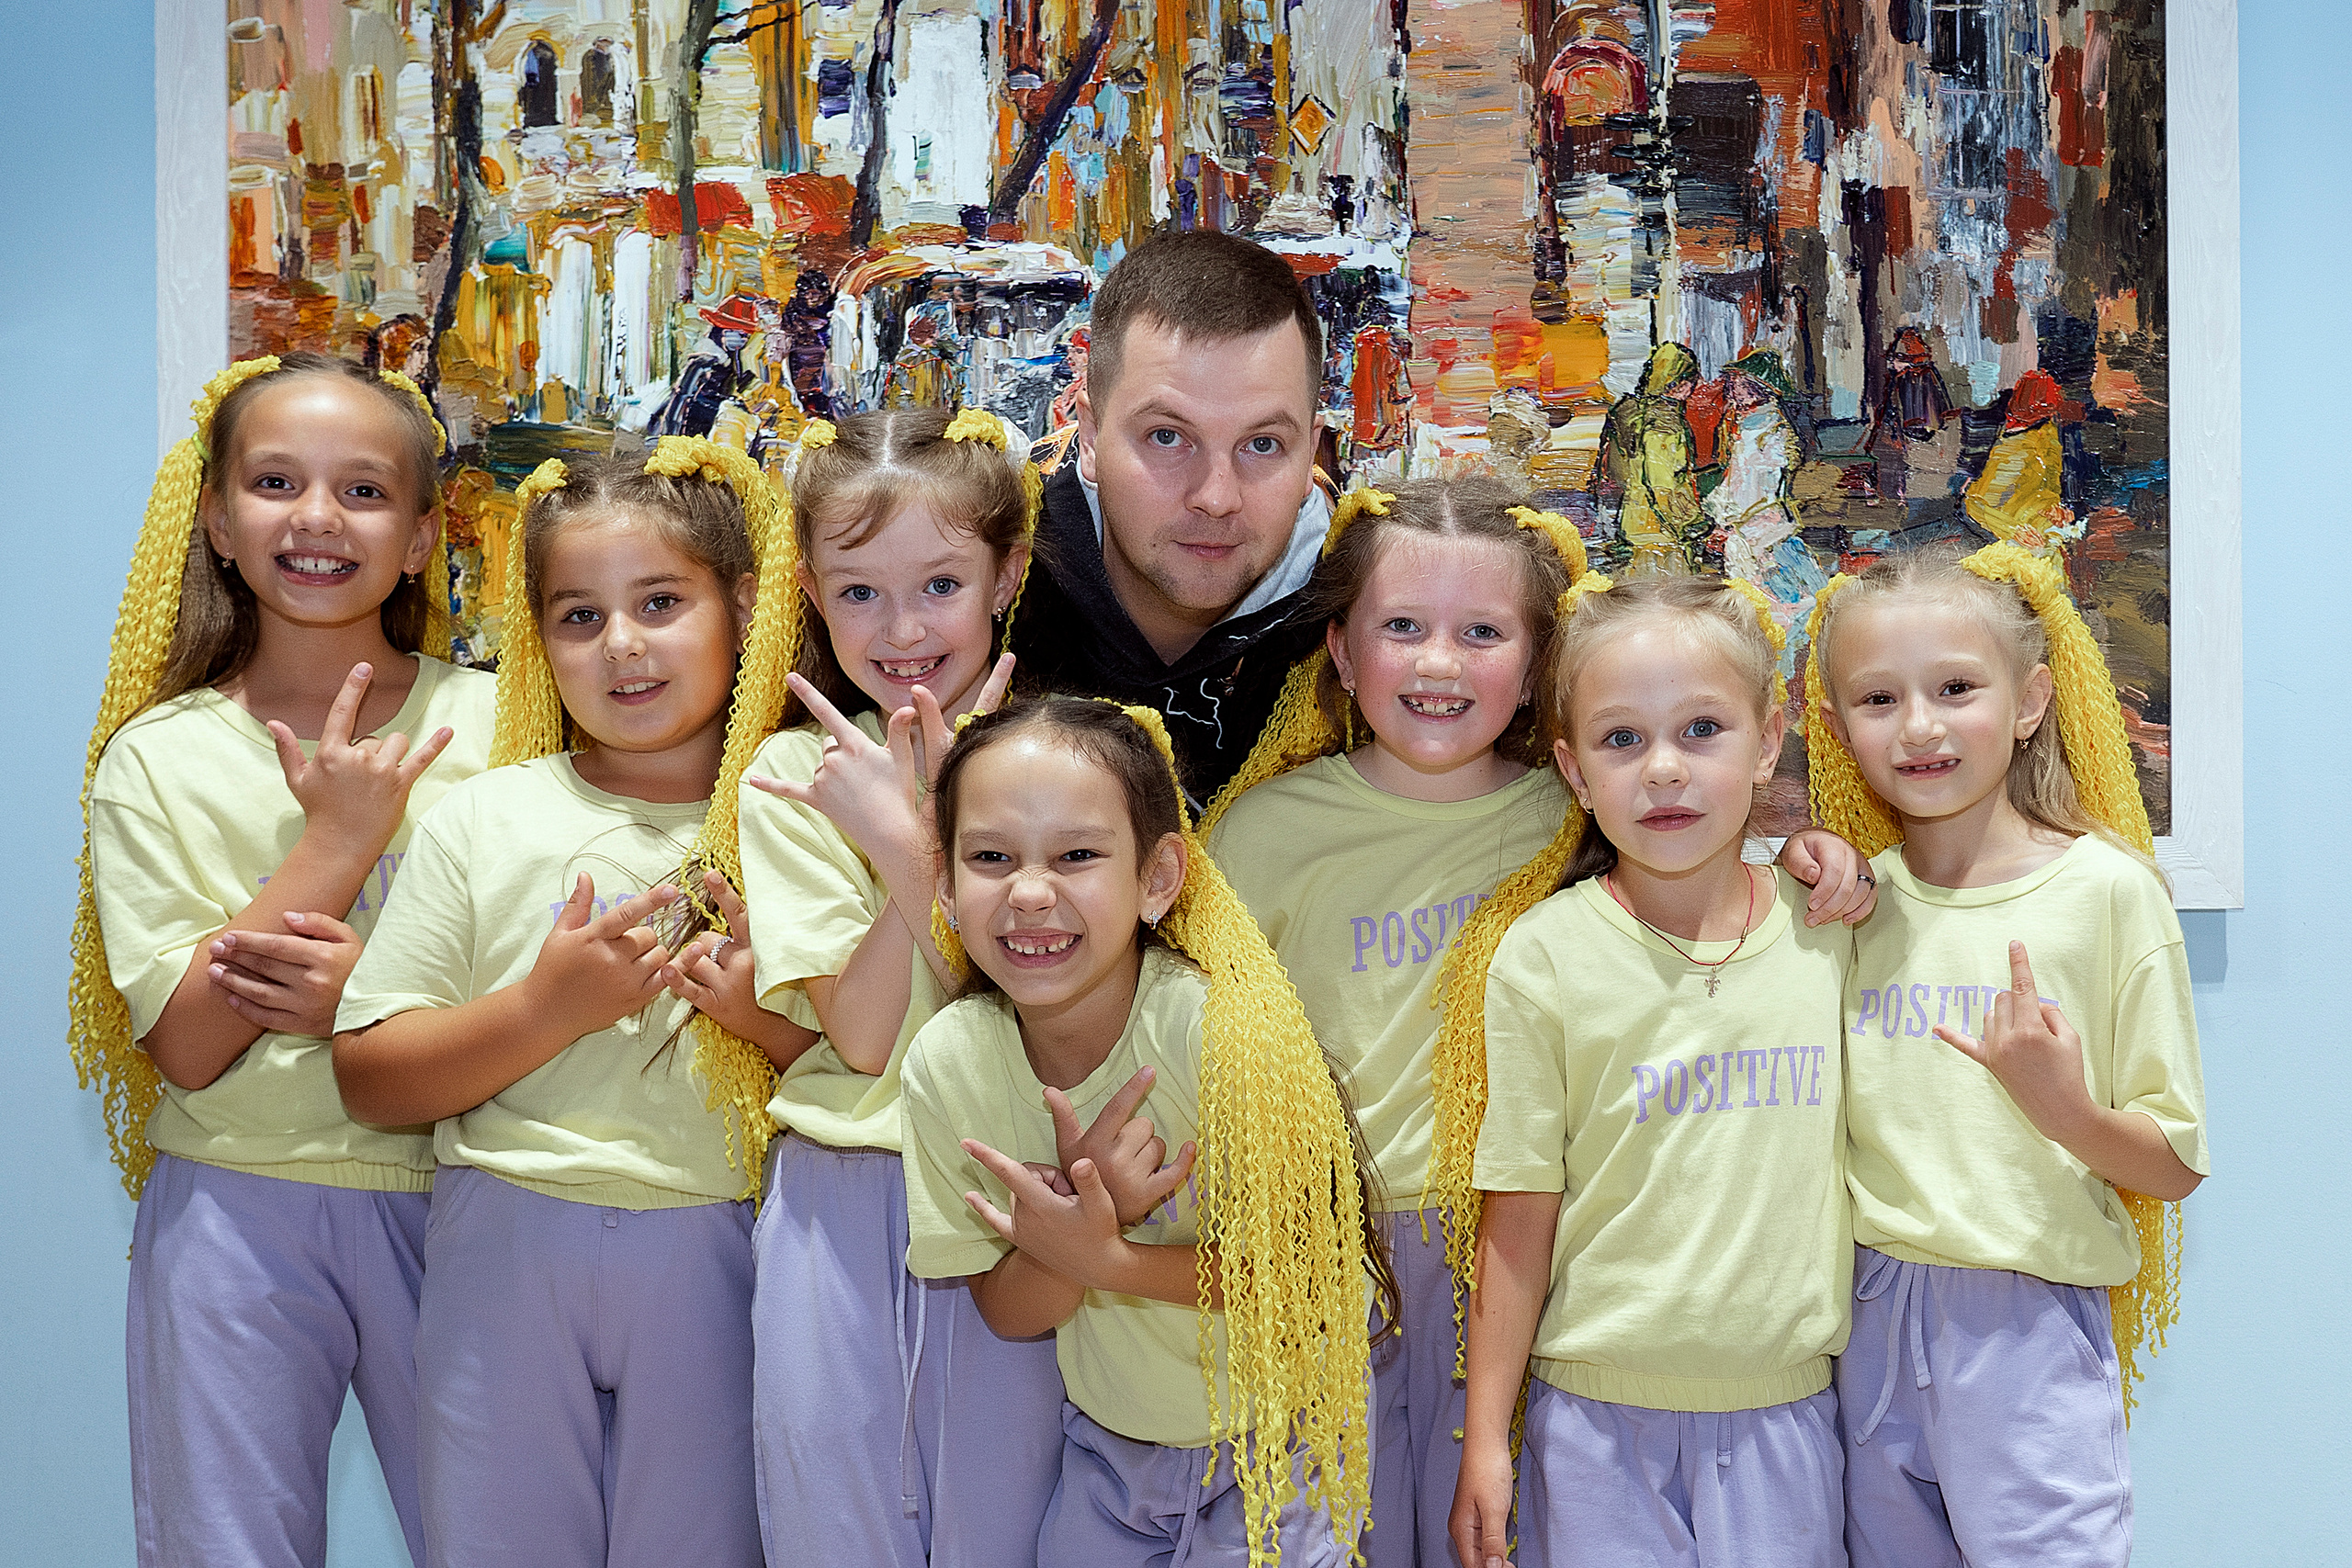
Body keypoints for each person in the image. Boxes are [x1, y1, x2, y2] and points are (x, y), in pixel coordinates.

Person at [332, 441, 800, 1568]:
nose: (623, 645)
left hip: (719, 1241)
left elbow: (876, 1058)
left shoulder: (799, 816)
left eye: (659, 603)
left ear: (742, 606)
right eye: (579, 616)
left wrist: (764, 1020)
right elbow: (370, 1073)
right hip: (503, 1239)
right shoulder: (482, 818)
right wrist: (548, 1006)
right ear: (537, 638)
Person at [74, 352, 493, 1568]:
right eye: (274, 481)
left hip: (468, 1199)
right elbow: (194, 1041)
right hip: (231, 1209)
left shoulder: (504, 726)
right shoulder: (154, 757)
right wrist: (340, 840)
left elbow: (544, 990)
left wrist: (356, 994)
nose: (316, 517)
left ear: (420, 535)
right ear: (216, 519)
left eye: (363, 491)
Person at [899, 698, 1388, 1566]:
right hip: (1110, 1457)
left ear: (1159, 877)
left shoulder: (1214, 1032)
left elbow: (1305, 1283)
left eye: (1078, 855)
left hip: (1285, 1450)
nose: (1030, 892)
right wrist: (1078, 1233)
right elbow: (1004, 1311)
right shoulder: (949, 1061)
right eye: (990, 857)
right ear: (942, 880)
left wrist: (1105, 1257)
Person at [1805, 543, 2208, 1568]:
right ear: (1835, 725)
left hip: (2024, 1326)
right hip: (1864, 1321)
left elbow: (2172, 1164)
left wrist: (2062, 1109)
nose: (1921, 726)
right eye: (1878, 698)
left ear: (2029, 701)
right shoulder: (1847, 905)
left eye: (1955, 688)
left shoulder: (2107, 893)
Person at [1450, 575, 1855, 1568]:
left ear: (1768, 742)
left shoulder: (1833, 929)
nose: (1663, 771)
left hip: (1786, 1419)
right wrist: (1487, 1438)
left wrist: (1831, 856)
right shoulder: (1542, 957)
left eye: (1702, 730)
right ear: (1573, 770)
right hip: (1593, 1423)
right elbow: (1517, 1214)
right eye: (1622, 739)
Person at [730, 407, 1064, 1565]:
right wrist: (893, 839)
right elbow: (864, 1038)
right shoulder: (792, 773)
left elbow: (1040, 1011)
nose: (904, 627)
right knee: (830, 1530)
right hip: (839, 1196)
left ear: (1006, 575)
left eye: (939, 584)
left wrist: (914, 837)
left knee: (1006, 1530)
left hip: (1013, 1196)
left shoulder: (1075, 761)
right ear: (813, 595)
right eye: (859, 591)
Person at [1009, 231, 1337, 801]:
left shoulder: (1365, 609)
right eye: (1167, 436)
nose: (1216, 496)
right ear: (1088, 433)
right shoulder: (986, 576)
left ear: (1311, 452)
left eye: (1262, 444)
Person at [1708, 348, 1826, 664]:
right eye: (1732, 382)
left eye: (1740, 383)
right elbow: (1734, 480)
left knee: (1776, 605)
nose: (1732, 390)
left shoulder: (1770, 432)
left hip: (1762, 530)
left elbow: (1762, 489)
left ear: (1760, 388)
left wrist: (1732, 522)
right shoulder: (1744, 426)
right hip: (1745, 530)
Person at [1591, 342, 1707, 573]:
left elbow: (1615, 470)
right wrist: (1690, 522)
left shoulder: (1629, 411)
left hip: (1634, 521)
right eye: (1691, 381)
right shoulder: (1665, 423)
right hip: (1661, 529)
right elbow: (1661, 484)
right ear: (1680, 384)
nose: (1693, 388)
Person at [1963, 369, 2081, 559]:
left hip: (2042, 533)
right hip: (2009, 542)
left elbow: (2048, 486)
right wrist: (2013, 530)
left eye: (2049, 415)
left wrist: (2055, 508)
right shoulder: (2012, 449)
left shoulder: (2047, 435)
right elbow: (1974, 504)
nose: (2049, 422)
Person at [651, 294, 767, 438]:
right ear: (720, 331)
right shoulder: (704, 362)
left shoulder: (734, 363)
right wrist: (670, 437)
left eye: (745, 334)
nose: (742, 338)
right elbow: (680, 399)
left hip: (715, 428)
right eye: (736, 332)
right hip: (691, 428)